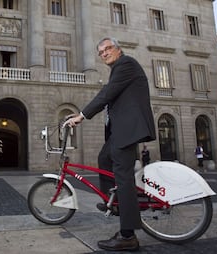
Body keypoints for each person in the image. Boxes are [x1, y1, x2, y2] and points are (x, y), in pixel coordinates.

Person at [66, 37, 156, 252]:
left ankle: (127, 236)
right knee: (104, 158)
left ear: (118, 49)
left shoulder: (125, 64)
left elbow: (106, 94)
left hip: (129, 129)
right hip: (122, 129)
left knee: (122, 176)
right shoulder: (119, 69)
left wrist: (82, 115)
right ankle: (115, 204)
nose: (104, 53)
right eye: (101, 52)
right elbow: (110, 94)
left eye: (108, 49)